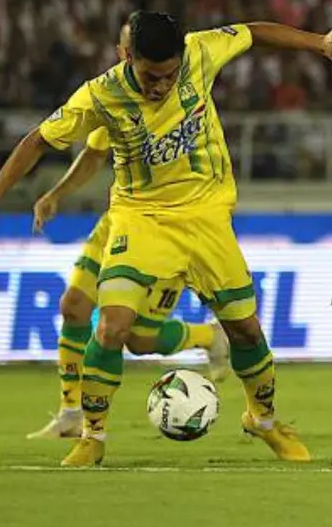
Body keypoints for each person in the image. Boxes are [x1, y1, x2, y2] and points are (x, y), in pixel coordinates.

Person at [0, 11, 332, 466]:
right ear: (125, 56)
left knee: (245, 328)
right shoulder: (101, 94)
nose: (160, 86)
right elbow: (38, 140)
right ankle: (93, 436)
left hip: (206, 216)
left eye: (169, 75)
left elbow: (253, 33)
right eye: (149, 76)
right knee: (113, 325)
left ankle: (262, 419)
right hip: (140, 219)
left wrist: (319, 43)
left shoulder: (200, 51)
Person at [26, 23, 230, 440]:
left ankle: (210, 336)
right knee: (73, 307)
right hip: (120, 222)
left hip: (170, 226)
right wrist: (56, 194)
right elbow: (93, 155)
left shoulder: (179, 95)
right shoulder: (114, 97)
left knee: (137, 338)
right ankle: (70, 411)